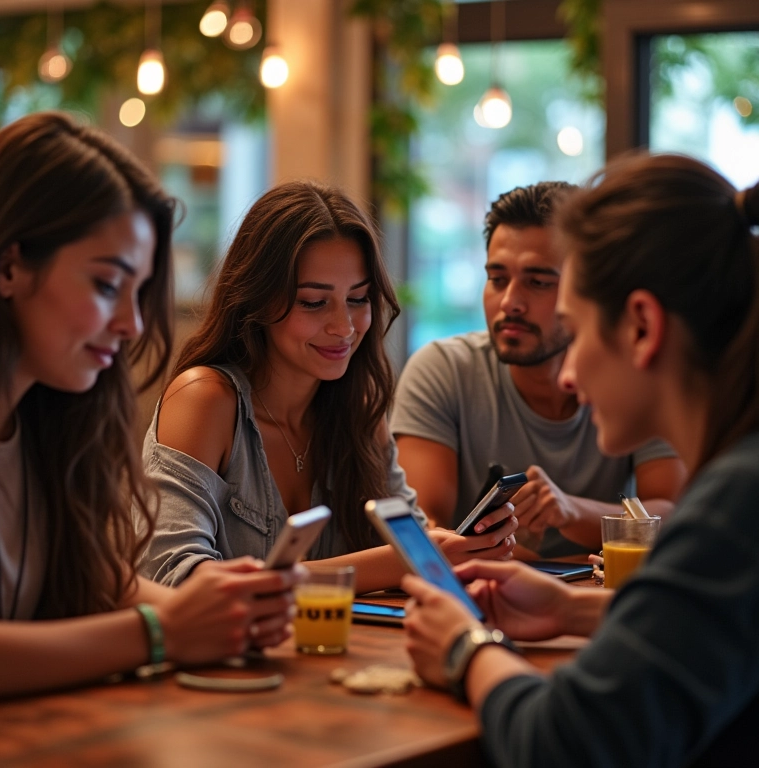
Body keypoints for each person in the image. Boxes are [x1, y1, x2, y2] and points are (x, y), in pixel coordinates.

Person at [402, 153, 759, 767]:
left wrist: (466, 648)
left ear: (642, 328)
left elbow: (564, 746)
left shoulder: (738, 503)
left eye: (574, 326)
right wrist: (572, 608)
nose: (567, 374)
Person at [0, 112, 303, 700]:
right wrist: (162, 633)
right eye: (108, 285)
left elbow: (106, 584)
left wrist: (221, 614)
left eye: (138, 293)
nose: (132, 324)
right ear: (9, 266)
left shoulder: (48, 428)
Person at [137, 180, 517, 595]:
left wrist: (462, 549)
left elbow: (413, 540)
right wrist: (397, 562)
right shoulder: (205, 400)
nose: (344, 327)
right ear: (258, 300)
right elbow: (172, 577)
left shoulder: (360, 406)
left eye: (358, 299)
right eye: (314, 303)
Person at [391, 181, 686, 557]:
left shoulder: (633, 376)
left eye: (538, 282)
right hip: (486, 591)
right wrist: (504, 550)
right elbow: (423, 527)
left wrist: (569, 509)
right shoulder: (443, 369)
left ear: (584, 290)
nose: (510, 302)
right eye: (497, 279)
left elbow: (669, 515)